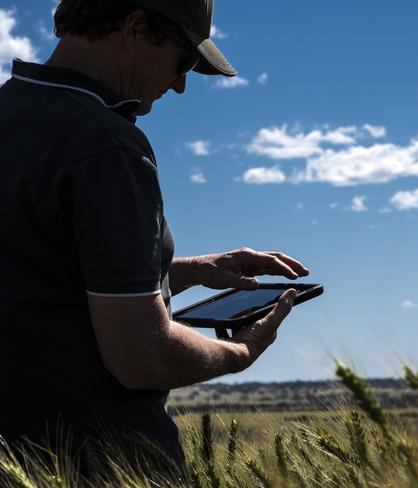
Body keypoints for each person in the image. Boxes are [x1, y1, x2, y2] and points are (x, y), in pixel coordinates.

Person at [0, 0, 308, 474]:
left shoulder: (11, 113)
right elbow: (140, 355)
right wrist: (238, 354)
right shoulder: (106, 144)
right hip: (99, 465)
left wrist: (182, 271)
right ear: (136, 27)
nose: (181, 85)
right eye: (183, 60)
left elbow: (37, 278)